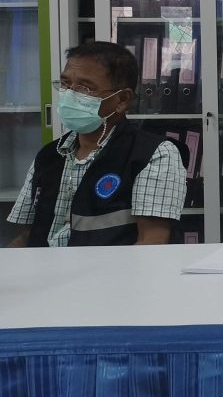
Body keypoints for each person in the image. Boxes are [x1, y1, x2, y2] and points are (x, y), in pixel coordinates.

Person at [6, 41, 187, 247]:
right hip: (45, 267)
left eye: (85, 88)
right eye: (65, 84)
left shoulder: (152, 154)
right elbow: (27, 236)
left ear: (121, 100)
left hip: (111, 268)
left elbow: (152, 242)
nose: (69, 95)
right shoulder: (50, 155)